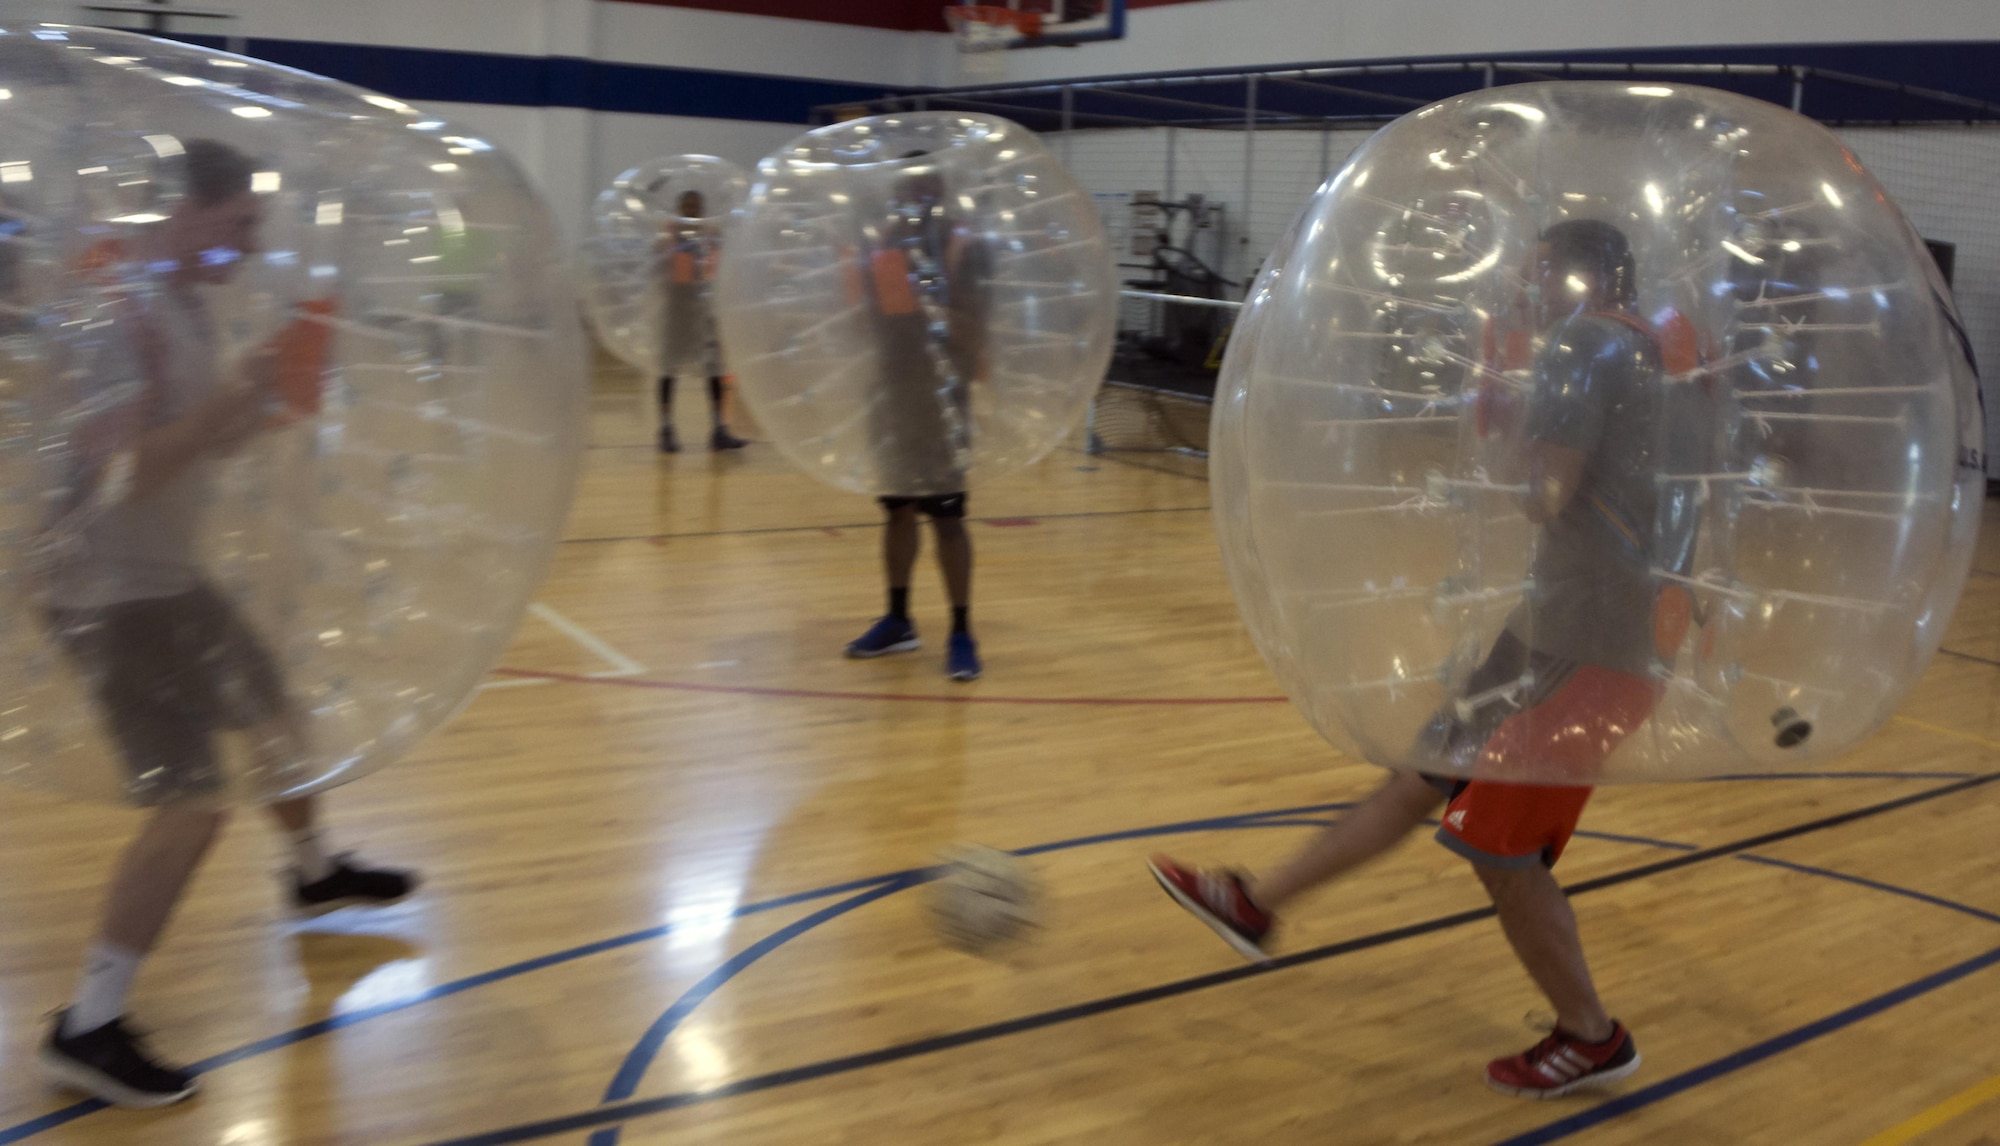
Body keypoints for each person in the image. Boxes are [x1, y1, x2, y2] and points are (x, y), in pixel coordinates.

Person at [1149, 219, 1702, 1099]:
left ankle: (1592, 1037)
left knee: (1499, 851)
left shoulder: (1584, 347)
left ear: (1583, 277)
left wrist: (1509, 420)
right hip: (1568, 626)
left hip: (1588, 646)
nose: (1525, 290)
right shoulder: (1664, 352)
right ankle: (1256, 906)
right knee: (1422, 776)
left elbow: (1542, 495)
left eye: (1540, 274)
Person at [38, 139, 415, 1109]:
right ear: (183, 213)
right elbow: (122, 474)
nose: (249, 247)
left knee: (275, 714)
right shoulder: (118, 315)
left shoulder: (182, 306)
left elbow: (203, 438)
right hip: (107, 592)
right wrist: (228, 406)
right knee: (194, 803)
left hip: (163, 576)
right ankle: (90, 1023)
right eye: (238, 225)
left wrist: (269, 396)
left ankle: (314, 873)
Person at [842, 154, 991, 682]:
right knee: (897, 511)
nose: (916, 198)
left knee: (948, 519)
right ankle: (899, 619)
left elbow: (977, 333)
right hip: (893, 395)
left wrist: (938, 313)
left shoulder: (964, 247)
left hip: (943, 399)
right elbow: (865, 323)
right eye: (908, 189)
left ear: (942, 191)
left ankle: (960, 630)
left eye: (926, 188)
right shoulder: (883, 245)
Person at [655, 188, 744, 453]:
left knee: (714, 371)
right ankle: (666, 429)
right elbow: (657, 273)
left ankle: (718, 430)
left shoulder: (710, 238)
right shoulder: (667, 238)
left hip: (704, 313)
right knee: (669, 372)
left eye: (697, 205)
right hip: (676, 314)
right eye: (688, 205)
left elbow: (720, 273)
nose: (693, 210)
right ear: (679, 208)